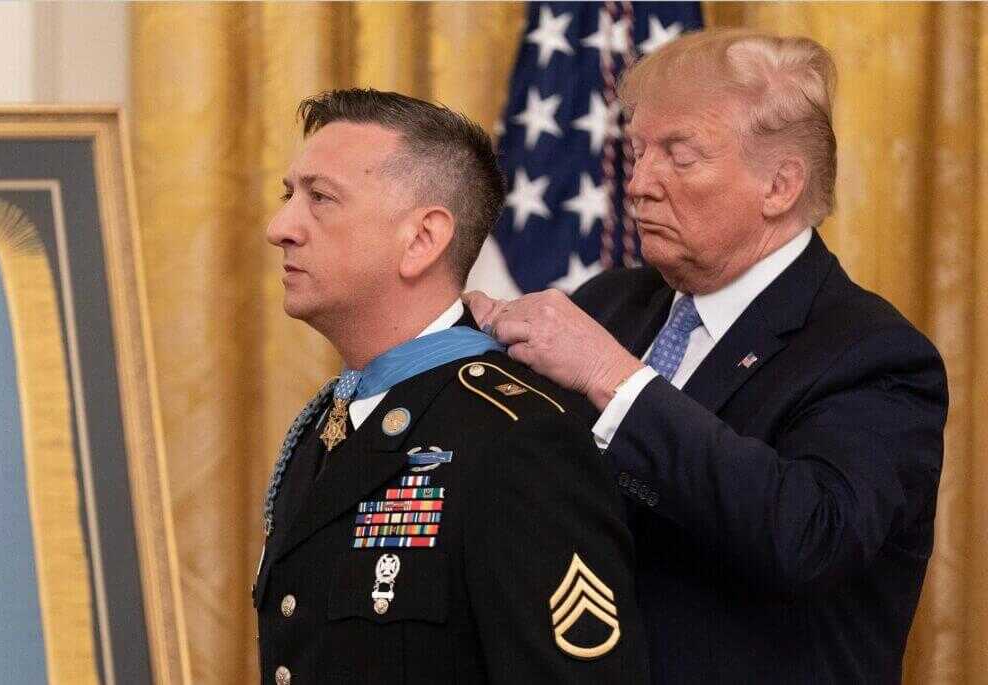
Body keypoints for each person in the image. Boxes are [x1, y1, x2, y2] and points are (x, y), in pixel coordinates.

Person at [465, 29, 948, 684]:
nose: (638, 184)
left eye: (679, 156)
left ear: (780, 185)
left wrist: (613, 378)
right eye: (637, 152)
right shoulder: (609, 303)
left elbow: (810, 536)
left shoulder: (873, 353)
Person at [253, 88, 647, 684]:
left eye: (321, 198)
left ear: (422, 239)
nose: (279, 227)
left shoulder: (519, 440)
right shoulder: (328, 423)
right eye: (289, 196)